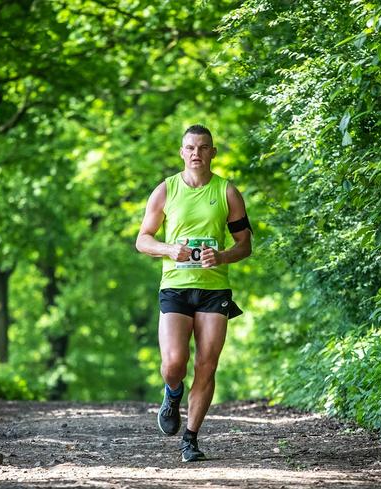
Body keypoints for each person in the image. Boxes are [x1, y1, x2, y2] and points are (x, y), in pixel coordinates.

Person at [135, 124, 252, 462]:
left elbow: (245, 245)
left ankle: (190, 438)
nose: (196, 153)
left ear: (213, 152)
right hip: (175, 286)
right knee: (174, 363)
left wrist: (224, 255)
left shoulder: (227, 192)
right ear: (182, 152)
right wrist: (170, 250)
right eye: (190, 147)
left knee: (206, 365)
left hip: (214, 289)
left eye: (203, 147)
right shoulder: (166, 190)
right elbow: (143, 239)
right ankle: (172, 394)